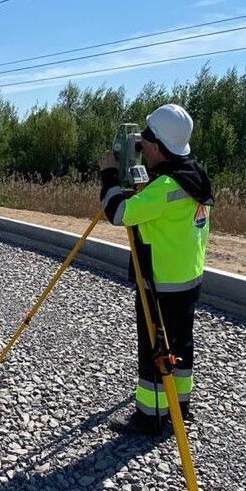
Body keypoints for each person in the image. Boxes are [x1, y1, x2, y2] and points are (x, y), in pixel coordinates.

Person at [98, 104, 214, 435]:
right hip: (189, 279)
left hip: (160, 283)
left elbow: (119, 212)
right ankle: (179, 406)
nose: (142, 147)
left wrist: (109, 173)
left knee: (155, 351)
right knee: (181, 345)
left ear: (159, 148)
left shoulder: (164, 188)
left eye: (147, 143)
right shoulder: (194, 176)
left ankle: (150, 417)